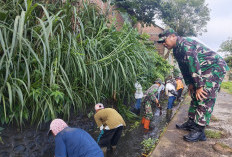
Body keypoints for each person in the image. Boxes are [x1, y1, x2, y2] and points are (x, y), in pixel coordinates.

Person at [157, 28, 229, 142]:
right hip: (202, 69)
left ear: (172, 36)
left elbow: (193, 64)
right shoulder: (176, 50)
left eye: (164, 40)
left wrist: (200, 86)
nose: (164, 44)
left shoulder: (186, 44)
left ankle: (200, 130)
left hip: (215, 67)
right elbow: (184, 68)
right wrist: (190, 84)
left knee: (204, 95)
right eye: (162, 42)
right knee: (195, 94)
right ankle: (192, 122)